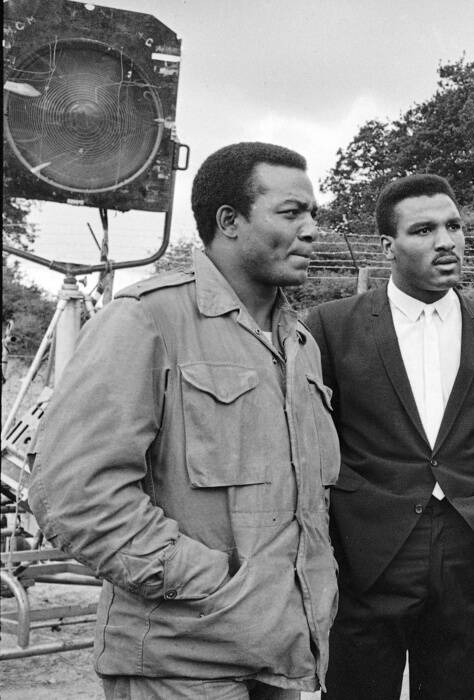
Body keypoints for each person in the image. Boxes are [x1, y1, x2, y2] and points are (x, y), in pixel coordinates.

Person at [27, 142, 340, 699]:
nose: (313, 229)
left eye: (313, 213)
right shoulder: (146, 319)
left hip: (279, 653)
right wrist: (212, 583)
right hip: (180, 662)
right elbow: (72, 493)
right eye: (291, 213)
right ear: (229, 222)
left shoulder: (300, 344)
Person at [305, 173, 474, 700]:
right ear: (388, 246)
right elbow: (314, 443)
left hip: (463, 550)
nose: (446, 241)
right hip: (366, 553)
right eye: (425, 229)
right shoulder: (332, 326)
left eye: (453, 225)